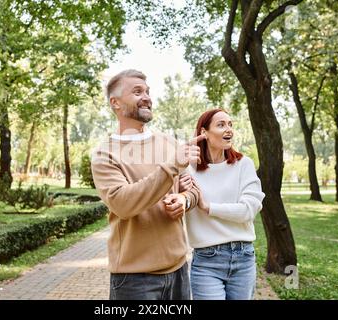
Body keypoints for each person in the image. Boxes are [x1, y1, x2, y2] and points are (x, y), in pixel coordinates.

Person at [91, 69, 206, 300]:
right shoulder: (105, 155)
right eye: (137, 92)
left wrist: (185, 200)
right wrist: (171, 166)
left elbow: (193, 189)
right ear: (116, 103)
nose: (146, 97)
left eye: (147, 91)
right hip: (135, 280)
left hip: (179, 270)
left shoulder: (170, 143)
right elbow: (123, 204)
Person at [178, 108, 265, 300]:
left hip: (243, 258)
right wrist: (179, 181)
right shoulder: (187, 170)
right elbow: (174, 201)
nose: (229, 130)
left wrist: (208, 207)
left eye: (230, 124)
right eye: (221, 125)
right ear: (204, 132)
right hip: (207, 261)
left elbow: (248, 210)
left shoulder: (244, 164)